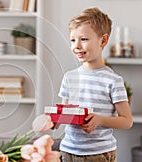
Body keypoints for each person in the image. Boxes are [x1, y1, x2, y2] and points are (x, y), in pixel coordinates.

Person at [57, 7, 133, 162]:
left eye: (83, 39)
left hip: (97, 154)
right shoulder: (69, 77)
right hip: (67, 150)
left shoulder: (113, 80)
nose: (76, 46)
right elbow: (65, 113)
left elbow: (127, 121)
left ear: (103, 40)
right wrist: (55, 120)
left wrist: (99, 119)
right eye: (73, 40)